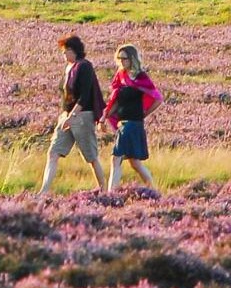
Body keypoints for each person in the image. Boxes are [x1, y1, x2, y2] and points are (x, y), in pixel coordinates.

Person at [36, 34, 108, 195]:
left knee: (91, 157)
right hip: (66, 115)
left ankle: (104, 191)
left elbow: (85, 95)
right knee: (53, 152)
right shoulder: (69, 68)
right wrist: (65, 115)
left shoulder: (84, 66)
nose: (64, 54)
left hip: (81, 116)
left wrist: (72, 116)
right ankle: (44, 191)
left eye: (66, 50)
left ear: (75, 50)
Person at [102, 43, 162, 189]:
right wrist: (104, 117)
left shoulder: (141, 77)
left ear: (132, 59)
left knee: (115, 159)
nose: (121, 61)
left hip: (133, 123)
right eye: (119, 58)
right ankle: (153, 189)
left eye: (124, 58)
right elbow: (115, 101)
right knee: (134, 163)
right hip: (122, 123)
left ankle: (110, 194)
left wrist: (144, 113)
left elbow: (157, 98)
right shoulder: (120, 76)